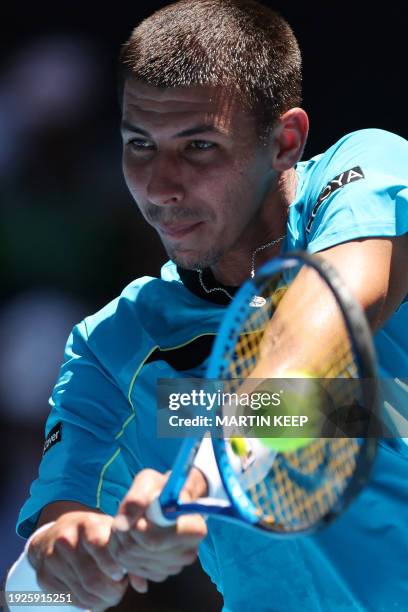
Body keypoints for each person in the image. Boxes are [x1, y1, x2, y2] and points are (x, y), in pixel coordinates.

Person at [6, 1, 408, 610]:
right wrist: (77, 560)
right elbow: (26, 596)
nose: (160, 185)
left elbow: (314, 336)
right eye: (139, 144)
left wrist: (197, 482)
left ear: (285, 141)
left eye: (198, 146)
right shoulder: (109, 346)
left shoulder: (366, 170)